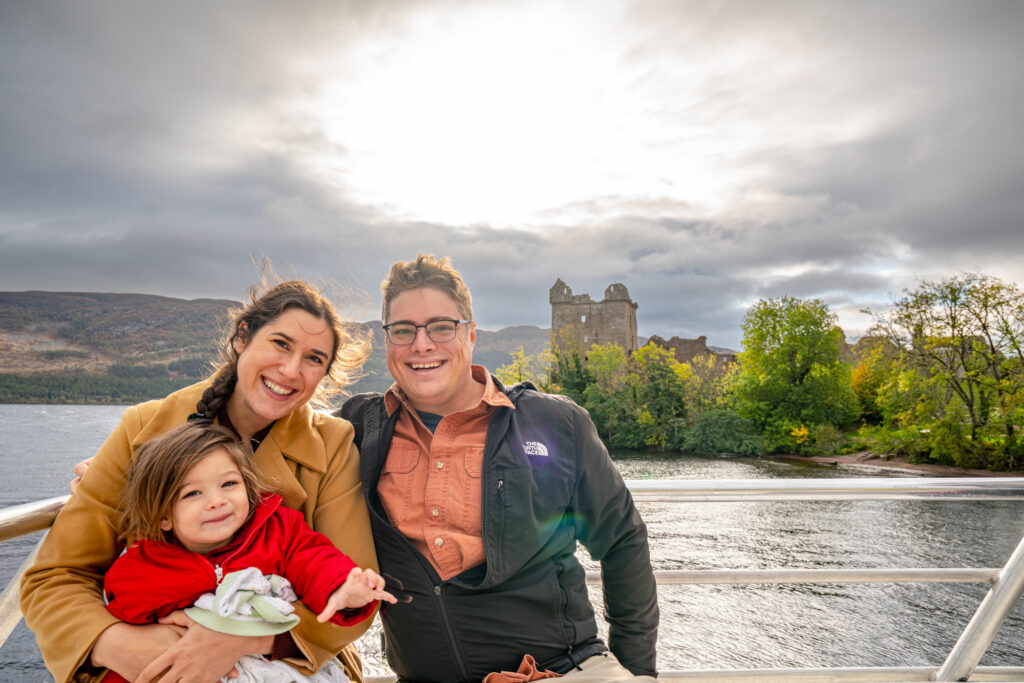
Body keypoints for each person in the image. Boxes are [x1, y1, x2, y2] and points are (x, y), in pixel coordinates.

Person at [21, 280, 378, 683]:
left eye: (314, 358)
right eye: (280, 344)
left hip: (288, 664)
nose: (291, 370)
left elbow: (355, 590)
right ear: (242, 337)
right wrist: (119, 644)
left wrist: (242, 640)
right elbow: (56, 575)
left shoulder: (332, 445)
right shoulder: (143, 427)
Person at [337, 254, 659, 683]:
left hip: (563, 671)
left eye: (441, 327)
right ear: (387, 341)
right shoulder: (358, 428)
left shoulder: (554, 422)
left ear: (470, 334)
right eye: (403, 330)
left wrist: (636, 672)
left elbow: (621, 541)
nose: (421, 344)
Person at [102, 421, 396, 683]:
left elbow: (314, 560)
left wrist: (343, 587)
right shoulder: (142, 569)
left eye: (229, 484)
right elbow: (125, 631)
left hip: (274, 666)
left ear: (248, 487)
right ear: (163, 516)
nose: (217, 501)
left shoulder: (277, 531)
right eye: (193, 493)